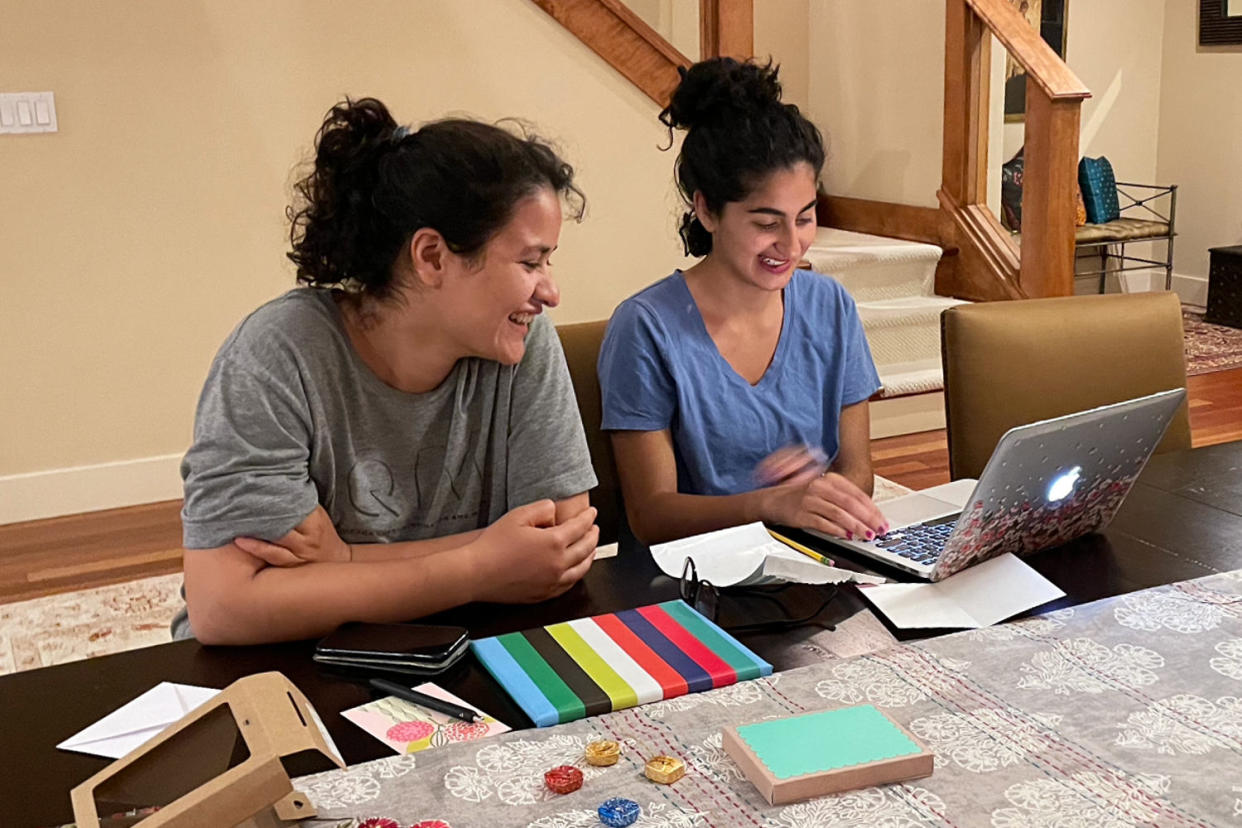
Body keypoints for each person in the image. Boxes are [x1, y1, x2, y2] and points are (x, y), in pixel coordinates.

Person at [175, 98, 599, 645]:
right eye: (529, 262)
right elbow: (223, 608)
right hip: (281, 665)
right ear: (432, 257)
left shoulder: (518, 338)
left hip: (456, 646)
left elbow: (558, 549)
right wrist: (479, 568)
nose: (551, 291)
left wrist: (345, 561)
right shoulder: (274, 357)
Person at [597, 59, 888, 546]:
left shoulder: (831, 306)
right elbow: (650, 515)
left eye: (806, 218)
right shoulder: (646, 327)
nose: (791, 246)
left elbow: (858, 475)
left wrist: (821, 491)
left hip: (814, 562)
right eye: (766, 223)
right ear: (706, 208)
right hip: (695, 583)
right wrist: (771, 503)